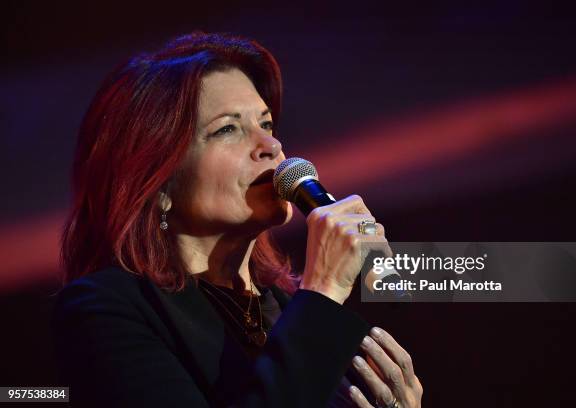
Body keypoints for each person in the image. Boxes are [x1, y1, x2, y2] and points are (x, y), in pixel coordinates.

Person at [52, 31, 423, 408]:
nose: (272, 146)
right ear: (158, 183)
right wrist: (324, 289)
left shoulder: (291, 311)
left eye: (266, 124)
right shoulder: (106, 311)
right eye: (227, 129)